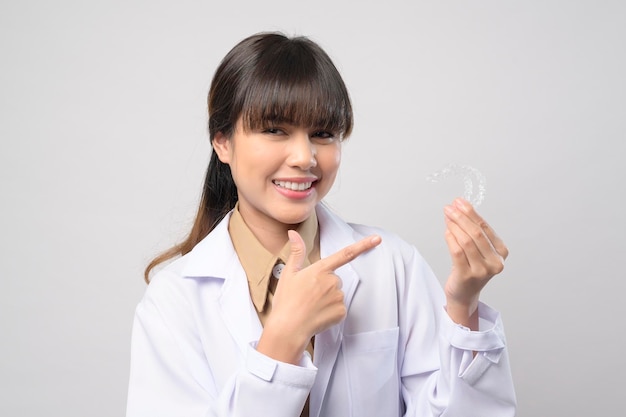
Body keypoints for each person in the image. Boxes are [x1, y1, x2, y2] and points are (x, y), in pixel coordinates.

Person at [126, 32, 517, 417]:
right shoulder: (174, 300)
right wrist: (282, 342)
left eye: (323, 133)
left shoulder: (394, 265)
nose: (304, 156)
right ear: (222, 142)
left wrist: (464, 307)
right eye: (275, 129)